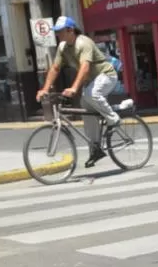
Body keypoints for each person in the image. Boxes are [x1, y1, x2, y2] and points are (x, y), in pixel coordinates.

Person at [36, 16, 120, 168]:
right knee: (86, 111)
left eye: (60, 31)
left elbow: (85, 67)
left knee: (91, 95)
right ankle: (95, 149)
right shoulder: (63, 47)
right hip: (91, 81)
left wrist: (74, 88)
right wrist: (45, 89)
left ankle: (113, 118)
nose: (58, 35)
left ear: (70, 30)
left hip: (106, 75)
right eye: (57, 32)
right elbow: (55, 68)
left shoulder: (83, 42)